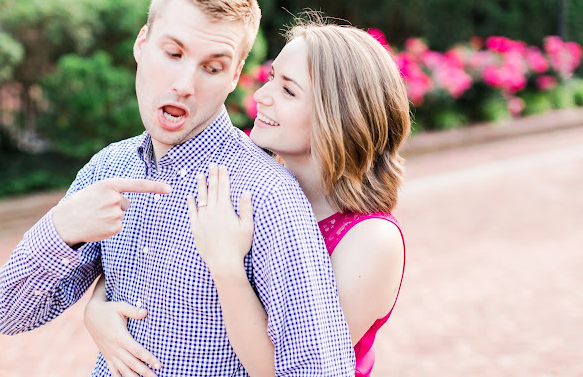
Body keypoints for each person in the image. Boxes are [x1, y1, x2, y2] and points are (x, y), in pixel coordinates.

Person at [0, 0, 355, 376]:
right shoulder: (108, 168)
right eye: (174, 53)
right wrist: (60, 229)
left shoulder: (266, 194)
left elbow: (319, 368)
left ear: (234, 76)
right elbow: (10, 314)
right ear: (142, 45)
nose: (184, 83)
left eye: (212, 67)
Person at [85, 20, 411, 376]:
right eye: (271, 78)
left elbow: (287, 369)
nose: (260, 95)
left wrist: (228, 268)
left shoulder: (371, 240)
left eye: (288, 91)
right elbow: (162, 257)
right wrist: (97, 309)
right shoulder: (251, 185)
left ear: (340, 115)